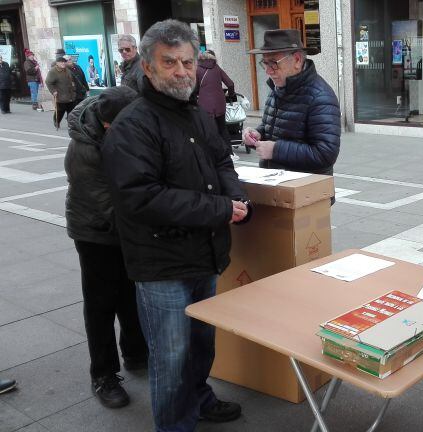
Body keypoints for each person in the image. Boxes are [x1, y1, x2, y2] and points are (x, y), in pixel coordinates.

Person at [101, 19, 250, 431]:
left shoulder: (197, 115)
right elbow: (142, 198)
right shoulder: (133, 125)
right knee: (170, 355)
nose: (183, 71)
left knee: (201, 344)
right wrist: (219, 209)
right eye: (171, 63)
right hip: (161, 262)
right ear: (148, 67)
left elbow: (222, 160)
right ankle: (174, 424)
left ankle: (199, 400)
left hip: (204, 254)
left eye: (188, 62)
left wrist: (236, 197)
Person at [64, 86, 148, 409]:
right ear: (107, 124)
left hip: (124, 225)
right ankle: (103, 373)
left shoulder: (123, 124)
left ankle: (136, 352)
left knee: (130, 291)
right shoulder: (84, 150)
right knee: (100, 303)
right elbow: (108, 207)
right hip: (93, 230)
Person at [242, 29, 341, 176]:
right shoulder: (278, 87)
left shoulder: (320, 96)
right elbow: (277, 127)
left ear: (297, 60)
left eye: (274, 63)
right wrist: (258, 133)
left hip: (306, 192)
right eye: (265, 63)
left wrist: (276, 150)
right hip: (278, 185)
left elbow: (325, 154)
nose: (268, 71)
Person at [196, 50, 235, 155]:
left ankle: (213, 154)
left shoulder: (197, 70)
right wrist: (231, 95)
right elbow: (230, 84)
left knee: (208, 130)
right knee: (222, 128)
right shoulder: (217, 68)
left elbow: (194, 88)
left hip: (205, 105)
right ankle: (229, 153)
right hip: (220, 103)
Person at [45, 57, 77, 129]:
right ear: (57, 63)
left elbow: (72, 80)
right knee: (60, 111)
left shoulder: (67, 70)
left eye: (64, 62)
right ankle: (56, 121)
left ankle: (71, 124)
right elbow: (48, 82)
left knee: (71, 111)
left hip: (70, 95)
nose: (63, 63)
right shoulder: (53, 72)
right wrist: (53, 91)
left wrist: (74, 89)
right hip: (60, 95)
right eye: (61, 62)